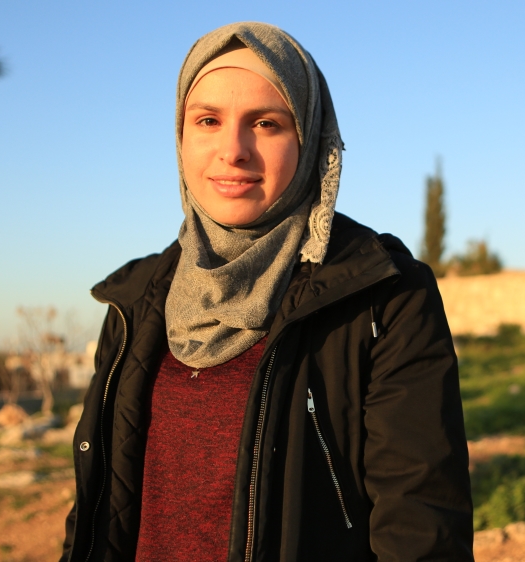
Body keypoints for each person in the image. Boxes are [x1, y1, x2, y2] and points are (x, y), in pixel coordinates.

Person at [61, 21, 472, 562]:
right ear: (180, 138)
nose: (233, 150)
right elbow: (97, 510)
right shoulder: (135, 301)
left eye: (266, 123)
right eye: (207, 120)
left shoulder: (383, 295)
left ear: (308, 138)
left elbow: (421, 531)